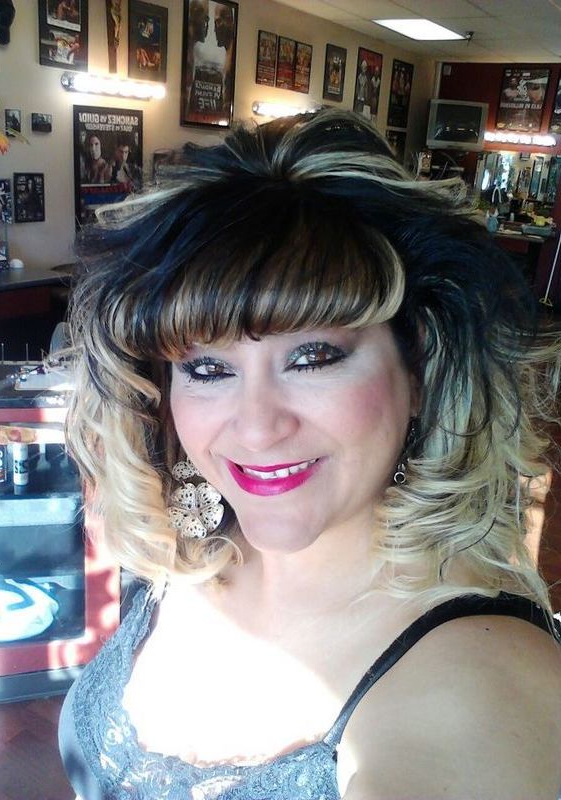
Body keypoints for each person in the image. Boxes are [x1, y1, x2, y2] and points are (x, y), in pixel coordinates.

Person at [59, 110, 561, 800]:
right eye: (207, 369)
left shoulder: (479, 684)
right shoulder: (186, 559)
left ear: (420, 371)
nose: (257, 428)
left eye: (314, 357)